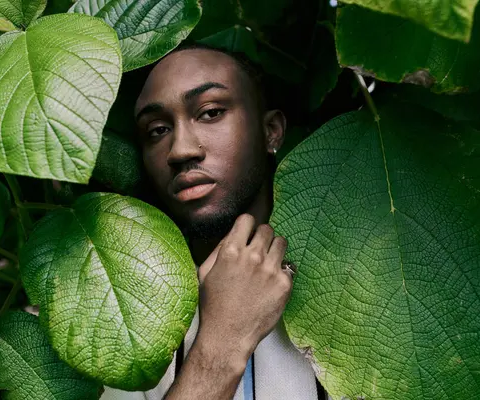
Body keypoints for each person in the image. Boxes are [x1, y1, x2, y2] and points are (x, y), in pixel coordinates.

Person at [101, 44, 325, 400]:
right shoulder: (125, 319)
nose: (181, 150)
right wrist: (222, 343)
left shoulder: (352, 287)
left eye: (210, 112)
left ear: (271, 132)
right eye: (157, 130)